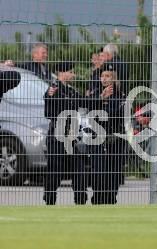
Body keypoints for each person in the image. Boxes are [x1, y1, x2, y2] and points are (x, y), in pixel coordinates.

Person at [43, 62, 88, 205]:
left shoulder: (71, 90)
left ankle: (80, 201)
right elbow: (48, 112)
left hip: (71, 138)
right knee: (54, 172)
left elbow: (84, 102)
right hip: (57, 136)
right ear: (62, 73)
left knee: (79, 170)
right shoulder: (54, 89)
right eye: (71, 72)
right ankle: (50, 201)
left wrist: (100, 98)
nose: (73, 75)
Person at [88, 65, 127, 204]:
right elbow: (91, 113)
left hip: (115, 138)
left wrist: (103, 106)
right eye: (102, 76)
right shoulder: (95, 93)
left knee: (114, 171)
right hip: (98, 137)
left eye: (108, 76)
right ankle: (97, 199)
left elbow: (114, 114)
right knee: (98, 171)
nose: (104, 79)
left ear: (113, 78)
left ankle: (111, 199)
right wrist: (101, 99)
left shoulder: (121, 95)